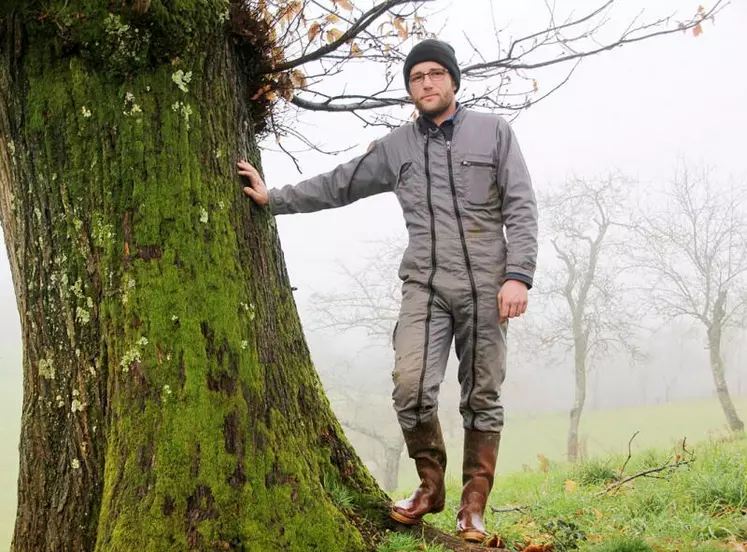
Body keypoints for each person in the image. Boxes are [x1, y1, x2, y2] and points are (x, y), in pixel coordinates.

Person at [238, 38, 538, 543]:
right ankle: (430, 488)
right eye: (417, 77)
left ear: (453, 80)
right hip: (425, 285)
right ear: (410, 89)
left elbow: (522, 207)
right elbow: (341, 183)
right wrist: (274, 198)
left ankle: (473, 508)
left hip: (489, 285)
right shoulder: (397, 145)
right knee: (411, 388)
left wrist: (518, 276)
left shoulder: (494, 132)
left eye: (435, 74)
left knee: (482, 395)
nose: (426, 83)